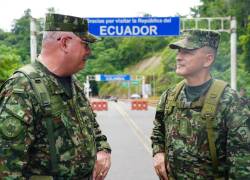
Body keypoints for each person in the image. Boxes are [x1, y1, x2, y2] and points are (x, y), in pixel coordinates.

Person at [0, 13, 111, 179]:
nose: (89, 51)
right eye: (85, 44)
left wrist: (102, 149)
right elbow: (7, 169)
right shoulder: (22, 88)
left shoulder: (73, 83)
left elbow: (91, 126)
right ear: (65, 43)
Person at [151, 30, 250, 179]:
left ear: (208, 60)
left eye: (187, 52)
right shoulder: (170, 96)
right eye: (178, 52)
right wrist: (158, 152)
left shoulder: (231, 101)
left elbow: (242, 166)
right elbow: (159, 130)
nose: (178, 57)